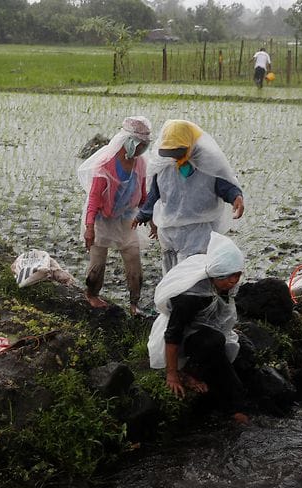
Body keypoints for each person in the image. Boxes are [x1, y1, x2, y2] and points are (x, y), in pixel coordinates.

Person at [148, 231, 249, 422]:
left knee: (221, 351)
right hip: (183, 336)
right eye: (229, 277)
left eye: (237, 275)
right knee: (214, 343)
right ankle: (188, 373)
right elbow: (173, 334)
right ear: (215, 274)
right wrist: (172, 374)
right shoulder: (190, 297)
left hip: (200, 329)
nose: (234, 281)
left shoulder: (222, 283)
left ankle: (235, 406)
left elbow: (222, 312)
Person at [133, 119, 244, 273]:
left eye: (179, 151)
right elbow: (155, 193)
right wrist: (143, 215)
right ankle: (173, 296)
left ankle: (194, 296)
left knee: (193, 270)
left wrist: (236, 197)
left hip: (199, 229)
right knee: (172, 272)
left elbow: (224, 185)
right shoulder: (164, 165)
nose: (175, 157)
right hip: (169, 228)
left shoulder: (208, 163)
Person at [77, 116, 152, 315]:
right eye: (138, 146)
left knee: (133, 256)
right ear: (127, 142)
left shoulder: (140, 163)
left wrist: (150, 218)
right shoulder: (105, 165)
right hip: (102, 218)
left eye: (144, 147)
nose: (140, 151)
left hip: (126, 218)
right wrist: (90, 227)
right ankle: (92, 294)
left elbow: (143, 195)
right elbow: (93, 199)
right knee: (97, 262)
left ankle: (134, 302)